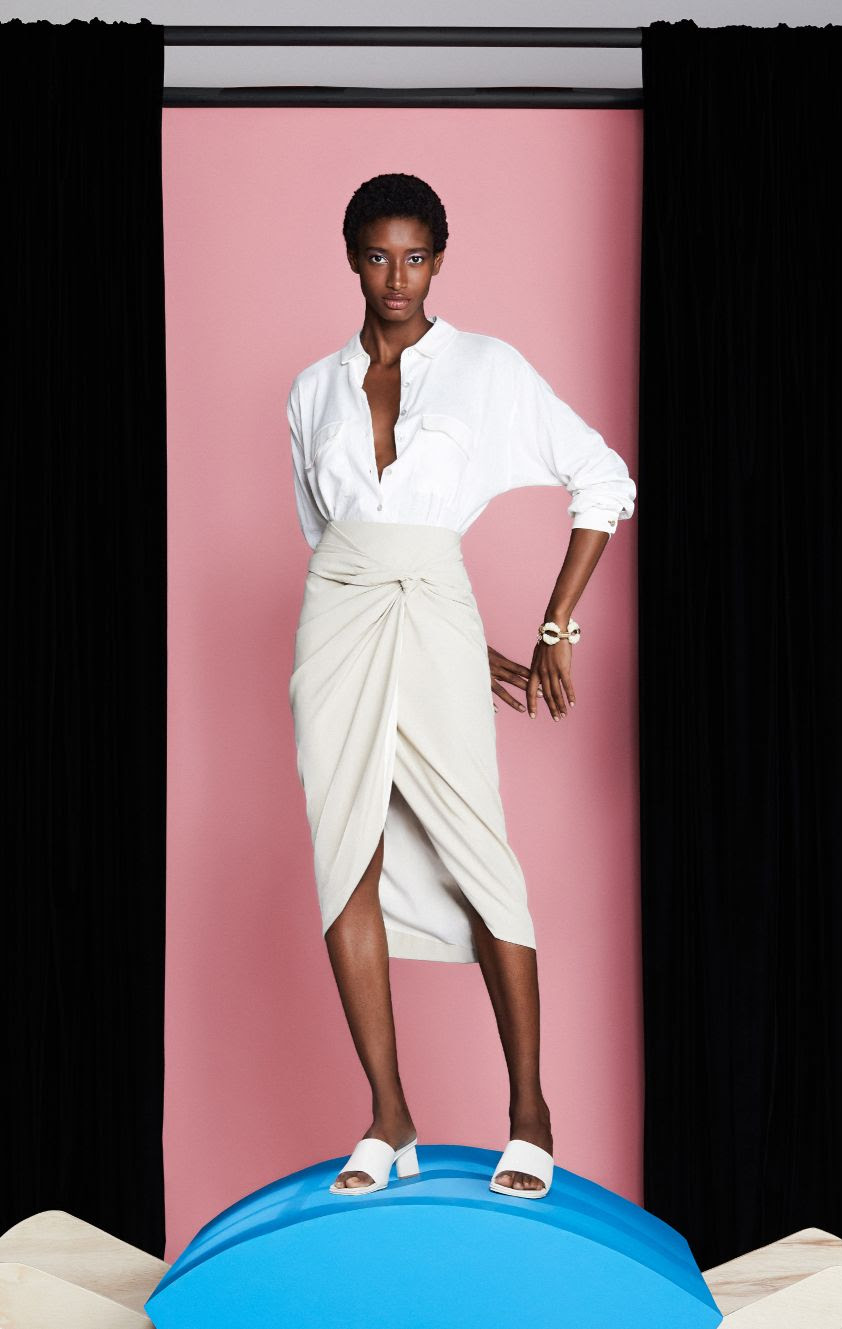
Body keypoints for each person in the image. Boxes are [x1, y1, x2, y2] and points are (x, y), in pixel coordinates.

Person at [287, 173, 636, 1200]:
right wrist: (413, 623)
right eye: (378, 256)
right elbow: (327, 535)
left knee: (480, 852)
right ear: (351, 259)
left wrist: (551, 624)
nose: (397, 277)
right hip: (339, 620)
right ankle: (388, 1114)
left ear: (439, 260)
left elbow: (603, 477)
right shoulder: (310, 390)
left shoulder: (487, 368)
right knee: (344, 855)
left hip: (430, 606)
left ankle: (530, 1112)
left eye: (415, 256)